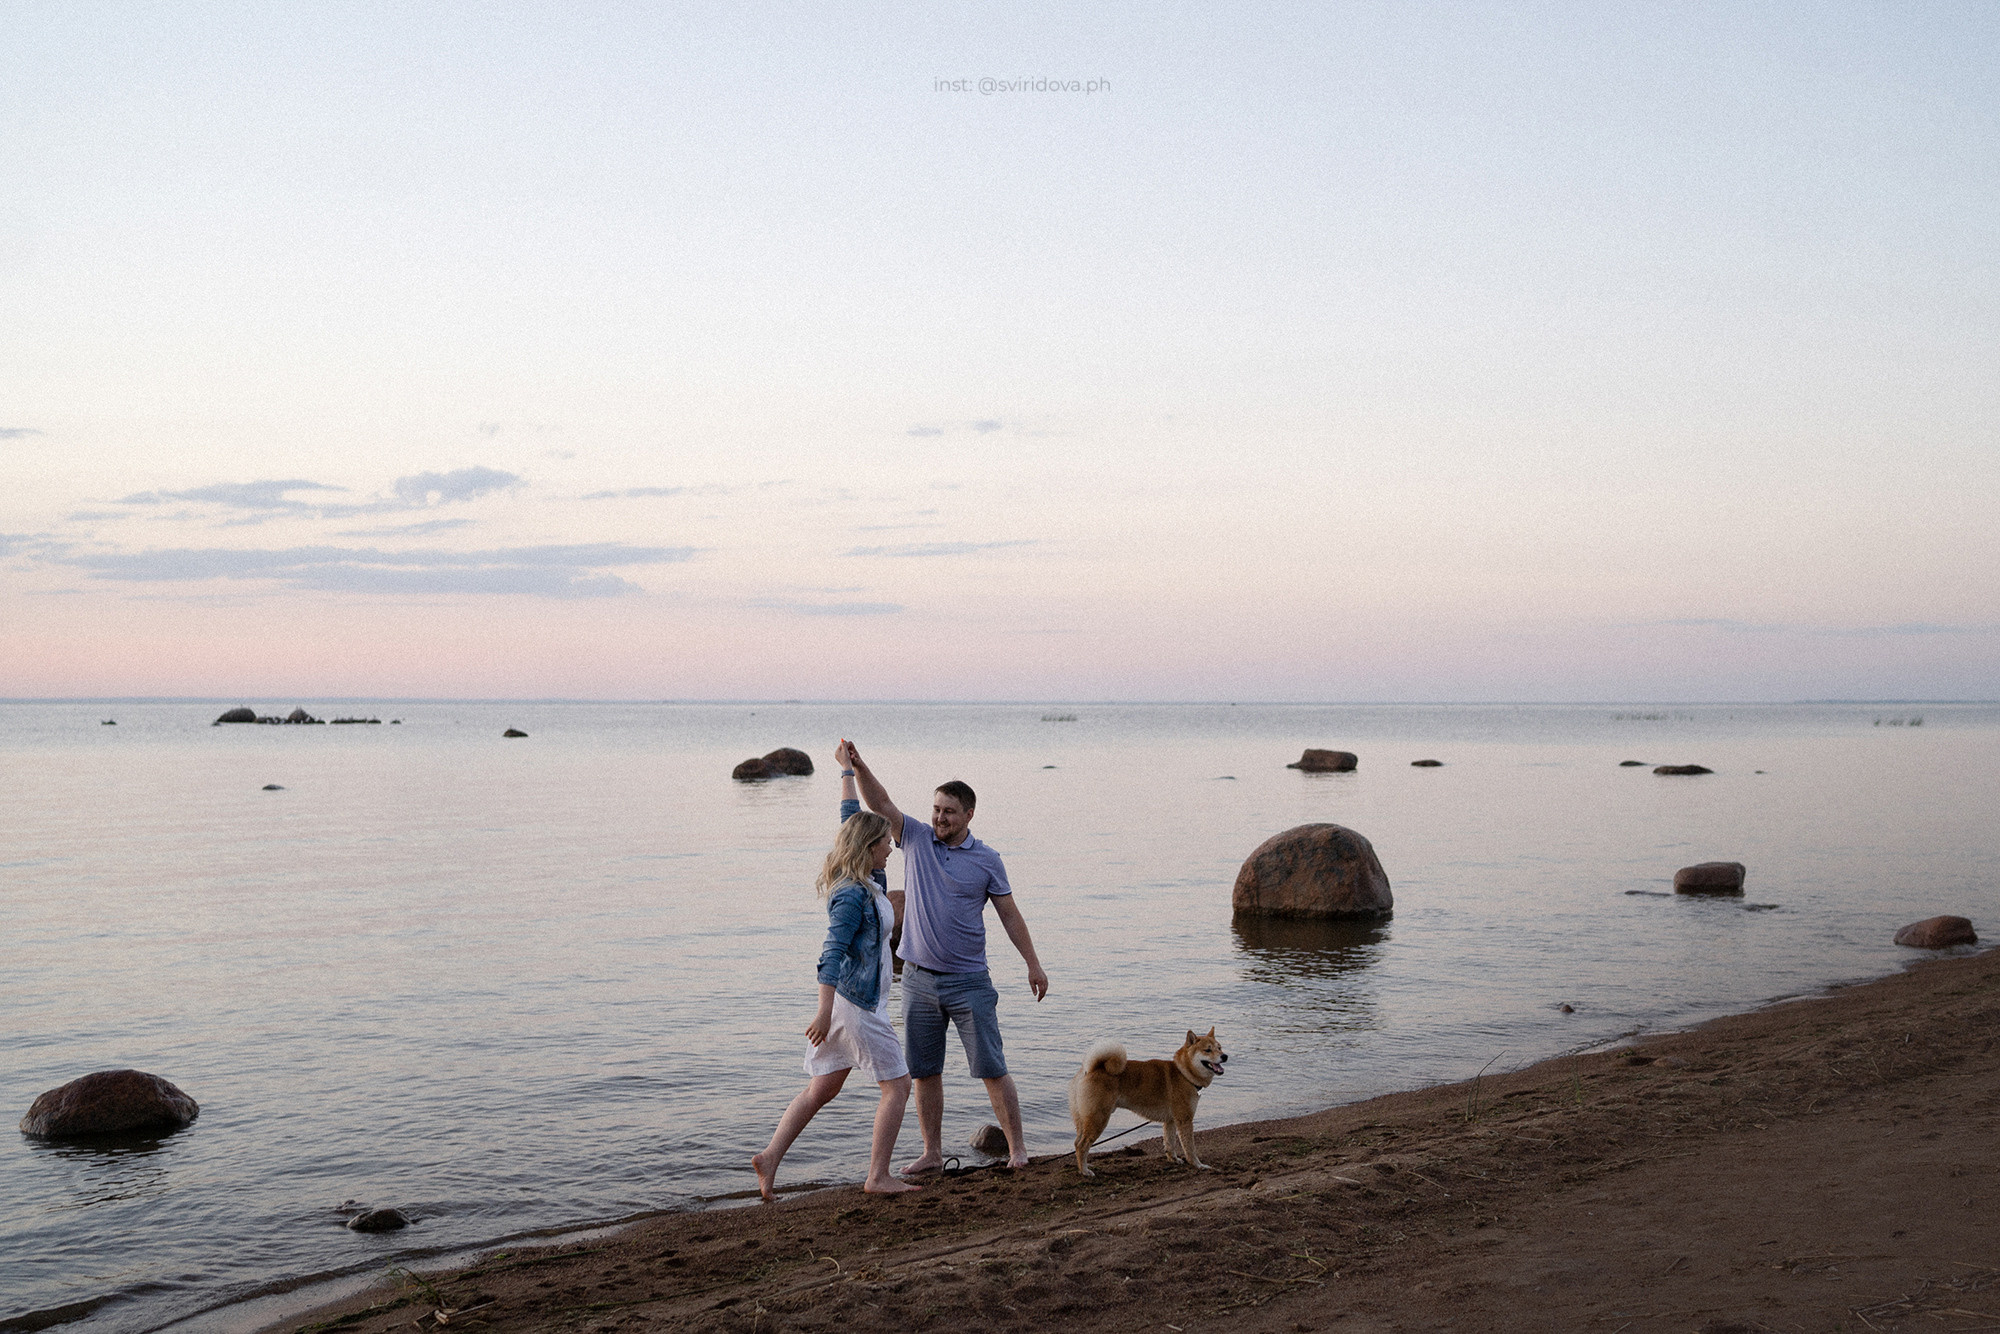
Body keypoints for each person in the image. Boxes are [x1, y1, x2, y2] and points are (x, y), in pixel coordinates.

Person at [837, 738, 1048, 1172]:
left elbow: (1009, 914)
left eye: (949, 811)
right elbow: (881, 803)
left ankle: (1017, 1150)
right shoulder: (914, 837)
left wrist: (1033, 963)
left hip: (970, 980)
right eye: (936, 809)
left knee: (992, 1067)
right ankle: (931, 1153)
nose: (939, 818)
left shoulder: (987, 859)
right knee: (923, 1071)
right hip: (917, 979)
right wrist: (858, 766)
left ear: (969, 814)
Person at [750, 809, 919, 1201]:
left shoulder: (868, 882)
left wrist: (848, 769)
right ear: (868, 846)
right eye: (884, 842)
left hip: (854, 1005)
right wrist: (823, 1013)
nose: (891, 847)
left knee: (821, 1089)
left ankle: (770, 1158)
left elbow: (850, 816)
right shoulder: (851, 894)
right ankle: (878, 1176)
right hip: (853, 1008)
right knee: (898, 1085)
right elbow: (831, 953)